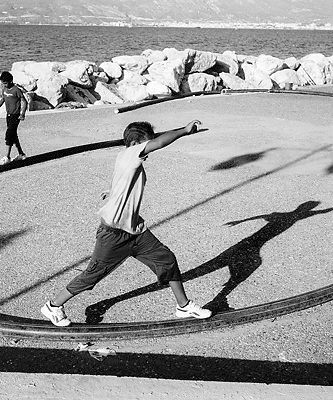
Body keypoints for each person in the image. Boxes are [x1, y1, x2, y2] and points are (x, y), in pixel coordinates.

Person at [41, 120, 213, 326]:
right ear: (134, 144)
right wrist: (184, 131)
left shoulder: (126, 158)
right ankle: (53, 306)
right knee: (93, 274)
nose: (149, 151)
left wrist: (112, 191)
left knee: (166, 259)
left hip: (135, 231)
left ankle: (183, 306)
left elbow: (124, 178)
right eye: (146, 145)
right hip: (113, 233)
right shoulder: (132, 154)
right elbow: (159, 143)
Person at [0, 71, 27, 165]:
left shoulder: (16, 90)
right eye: (3, 83)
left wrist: (22, 113)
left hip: (16, 115)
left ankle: (7, 157)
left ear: (10, 81)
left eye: (6, 83)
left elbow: (24, 101)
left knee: (9, 134)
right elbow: (3, 99)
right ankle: (21, 154)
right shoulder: (4, 89)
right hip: (8, 115)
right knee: (13, 135)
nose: (4, 85)